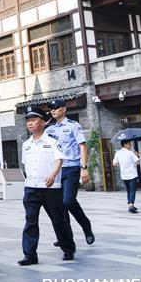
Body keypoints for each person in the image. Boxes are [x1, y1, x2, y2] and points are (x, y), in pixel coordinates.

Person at [18, 109, 76, 265]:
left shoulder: (52, 141)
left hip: (50, 188)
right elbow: (26, 165)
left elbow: (59, 160)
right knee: (30, 221)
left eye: (34, 120)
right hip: (31, 187)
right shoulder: (26, 144)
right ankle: (29, 255)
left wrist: (52, 174)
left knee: (58, 219)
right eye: (28, 120)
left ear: (43, 122)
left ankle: (68, 248)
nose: (30, 123)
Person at [44, 99, 95, 244]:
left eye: (56, 107)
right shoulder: (49, 129)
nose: (53, 110)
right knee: (59, 205)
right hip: (56, 170)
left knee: (68, 201)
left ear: (64, 109)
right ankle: (66, 238)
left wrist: (84, 168)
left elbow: (82, 147)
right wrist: (45, 124)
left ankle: (86, 225)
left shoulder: (73, 126)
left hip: (71, 167)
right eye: (51, 108)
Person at [112, 140, 141, 214]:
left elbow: (114, 163)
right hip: (132, 175)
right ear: (125, 144)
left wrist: (121, 165)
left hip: (124, 175)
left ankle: (130, 205)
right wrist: (137, 155)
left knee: (128, 190)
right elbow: (137, 162)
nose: (130, 145)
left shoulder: (118, 153)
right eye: (129, 144)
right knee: (132, 191)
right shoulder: (131, 153)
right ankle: (131, 205)